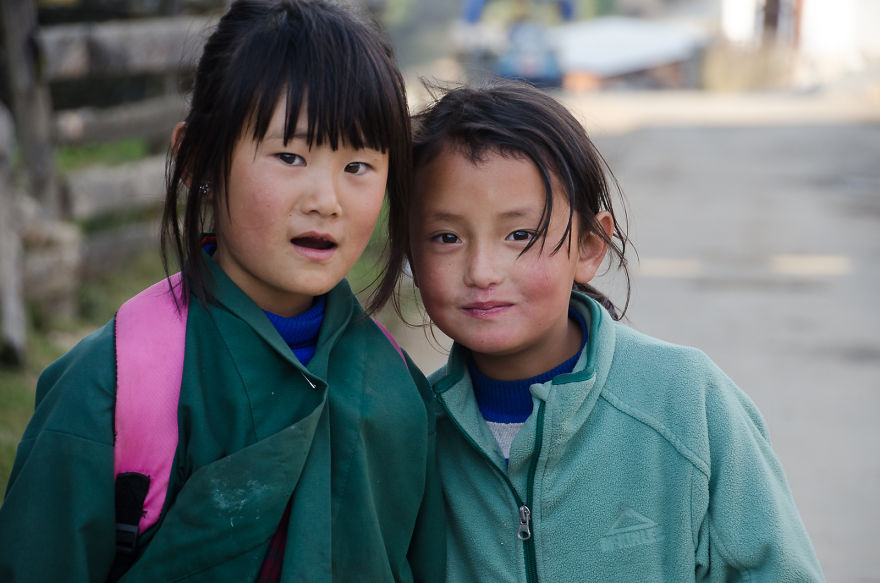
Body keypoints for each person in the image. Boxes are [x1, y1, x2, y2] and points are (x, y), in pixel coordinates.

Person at [0, 1, 443, 581]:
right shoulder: (112, 389)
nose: (326, 201)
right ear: (198, 159)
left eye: (358, 166)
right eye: (290, 156)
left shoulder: (398, 392)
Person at [403, 81, 825, 581]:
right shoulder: (410, 431)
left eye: (519, 234)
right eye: (446, 237)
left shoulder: (685, 401)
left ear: (588, 246)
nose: (482, 271)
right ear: (411, 253)